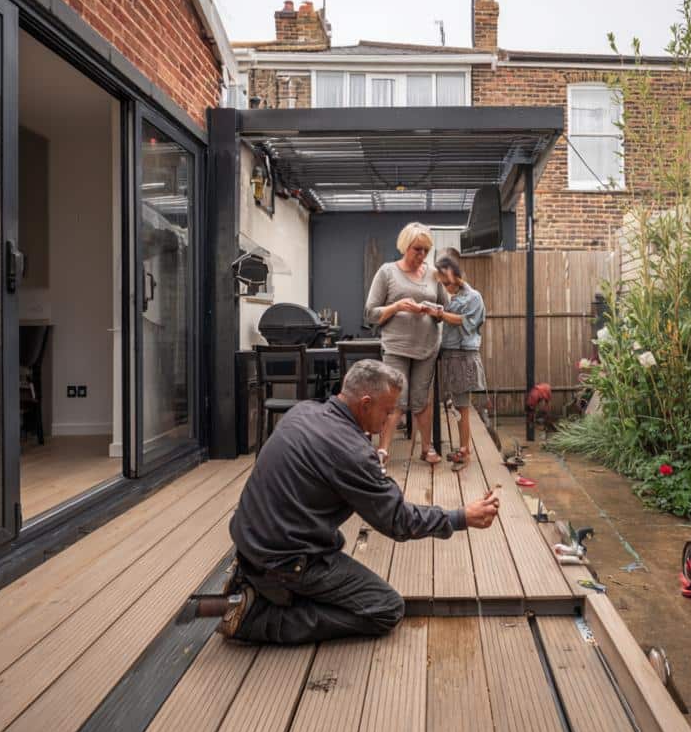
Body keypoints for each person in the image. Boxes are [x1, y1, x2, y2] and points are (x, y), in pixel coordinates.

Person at [205, 359, 500, 644]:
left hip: (251, 540)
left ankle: (257, 582)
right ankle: (255, 618)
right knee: (385, 608)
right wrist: (460, 517)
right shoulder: (350, 450)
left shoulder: (304, 411)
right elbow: (398, 521)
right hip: (286, 560)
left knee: (336, 543)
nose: (388, 422)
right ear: (366, 403)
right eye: (386, 412)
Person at [364, 222, 449, 464]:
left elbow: (446, 306)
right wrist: (398, 306)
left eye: (425, 250)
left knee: (422, 399)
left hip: (427, 347)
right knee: (395, 400)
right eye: (417, 250)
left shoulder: (434, 274)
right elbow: (370, 312)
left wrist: (433, 310)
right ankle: (383, 451)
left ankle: (427, 448)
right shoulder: (387, 272)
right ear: (405, 247)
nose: (421, 256)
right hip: (396, 347)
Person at [431, 256, 487, 471]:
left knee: (462, 406)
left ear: (456, 275)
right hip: (451, 356)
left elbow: (465, 322)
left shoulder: (474, 297)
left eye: (446, 281)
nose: (445, 285)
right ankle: (464, 449)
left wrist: (440, 314)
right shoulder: (452, 299)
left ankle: (465, 452)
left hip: (463, 356)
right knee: (457, 405)